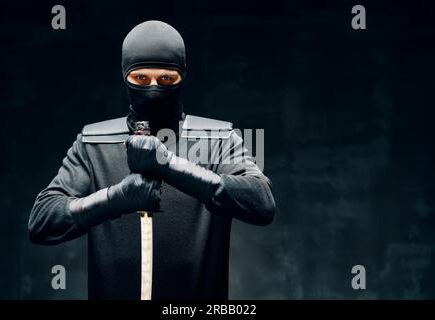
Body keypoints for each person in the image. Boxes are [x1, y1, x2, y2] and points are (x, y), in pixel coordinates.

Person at [28, 20, 276, 299]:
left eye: (167, 79)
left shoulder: (218, 139)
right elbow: (43, 222)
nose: (154, 87)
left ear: (182, 76)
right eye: (141, 79)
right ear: (125, 76)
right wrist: (114, 199)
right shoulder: (94, 143)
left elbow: (262, 203)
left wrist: (168, 165)